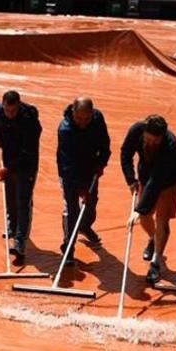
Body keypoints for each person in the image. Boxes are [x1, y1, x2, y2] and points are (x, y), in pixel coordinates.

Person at [122, 115, 176, 284]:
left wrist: (138, 208)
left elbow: (156, 182)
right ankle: (153, 238)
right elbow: (125, 154)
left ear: (163, 137)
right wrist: (131, 180)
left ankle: (156, 261)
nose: (151, 143)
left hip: (168, 180)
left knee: (162, 219)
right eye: (148, 139)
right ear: (144, 132)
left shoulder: (169, 147)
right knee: (144, 218)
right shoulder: (136, 130)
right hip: (146, 174)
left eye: (155, 141)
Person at [0, 90, 43, 266]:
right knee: (10, 197)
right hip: (9, 157)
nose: (10, 115)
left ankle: (20, 242)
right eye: (7, 111)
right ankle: (12, 228)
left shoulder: (30, 122)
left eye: (13, 111)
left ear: (19, 107)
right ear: (3, 105)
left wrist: (8, 168)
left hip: (26, 164)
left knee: (23, 201)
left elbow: (28, 153)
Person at [56, 96, 111, 264]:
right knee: (72, 211)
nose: (82, 122)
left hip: (90, 169)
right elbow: (67, 164)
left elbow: (105, 143)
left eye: (86, 118)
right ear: (73, 112)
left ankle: (85, 226)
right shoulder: (65, 129)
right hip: (69, 173)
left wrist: (101, 163)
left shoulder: (98, 118)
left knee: (91, 203)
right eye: (79, 118)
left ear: (92, 114)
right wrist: (80, 188)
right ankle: (68, 248)